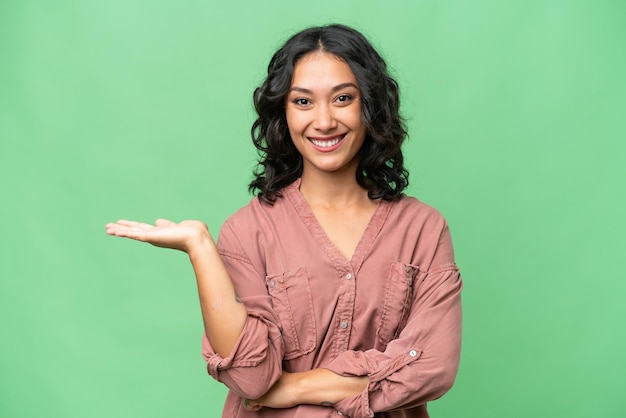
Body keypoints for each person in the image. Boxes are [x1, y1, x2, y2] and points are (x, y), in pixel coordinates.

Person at [106, 24, 462, 418]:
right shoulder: (249, 230)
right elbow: (251, 379)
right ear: (283, 112)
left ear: (370, 105)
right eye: (303, 102)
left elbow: (434, 368)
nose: (324, 121)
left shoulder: (423, 228)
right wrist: (200, 248)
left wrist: (297, 387)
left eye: (343, 98)